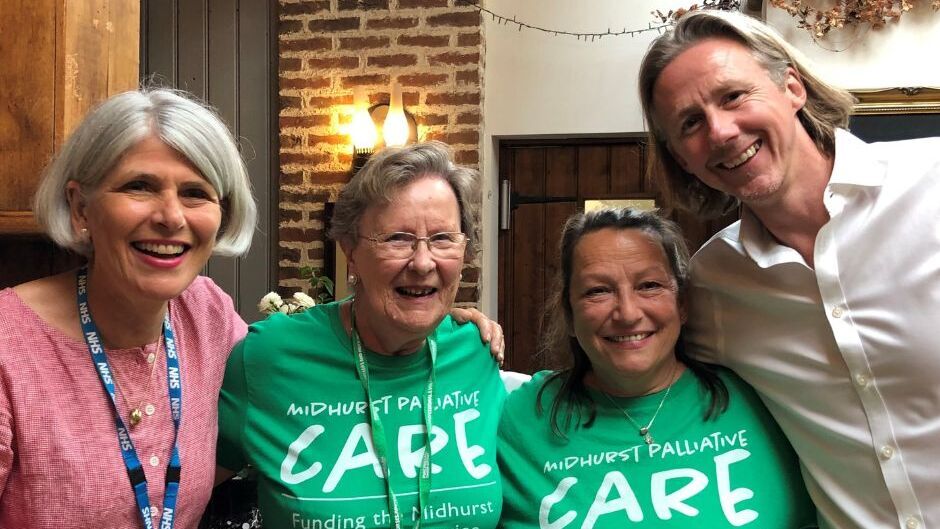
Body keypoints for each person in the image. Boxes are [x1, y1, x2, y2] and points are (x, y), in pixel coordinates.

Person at [638, 9, 940, 529]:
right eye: (690, 124)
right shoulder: (712, 285)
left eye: (734, 96)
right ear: (681, 159)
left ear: (792, 87)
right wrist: (453, 320)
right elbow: (630, 368)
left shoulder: (931, 183)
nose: (721, 131)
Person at [0, 88, 257, 528]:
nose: (172, 217)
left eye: (196, 192)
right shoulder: (9, 347)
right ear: (80, 206)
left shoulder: (208, 315)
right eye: (140, 186)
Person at [217, 141, 506, 529]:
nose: (423, 262)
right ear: (350, 252)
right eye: (397, 238)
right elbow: (178, 496)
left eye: (442, 239)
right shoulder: (268, 358)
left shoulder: (477, 351)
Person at [498, 207, 815, 528]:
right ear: (569, 313)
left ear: (682, 304)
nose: (627, 313)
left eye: (649, 285)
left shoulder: (762, 401)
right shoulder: (517, 419)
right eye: (598, 291)